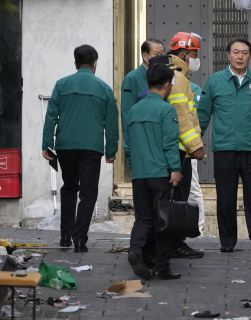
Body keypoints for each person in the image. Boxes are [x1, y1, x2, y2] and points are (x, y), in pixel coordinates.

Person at [198, 38, 251, 253]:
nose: (240, 56)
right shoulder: (215, 81)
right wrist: (195, 142)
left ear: (249, 56)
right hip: (224, 148)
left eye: (244, 53)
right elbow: (203, 113)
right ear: (228, 55)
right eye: (236, 52)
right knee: (225, 196)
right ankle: (227, 241)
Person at [42, 44, 118, 252]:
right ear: (95, 64)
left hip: (65, 146)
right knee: (88, 192)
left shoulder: (61, 85)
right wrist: (111, 150)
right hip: (91, 148)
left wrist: (46, 144)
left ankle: (65, 236)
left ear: (76, 63)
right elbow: (111, 122)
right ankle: (80, 238)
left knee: (69, 187)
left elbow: (51, 117)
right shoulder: (104, 89)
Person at [124, 63, 182, 280]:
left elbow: (128, 146)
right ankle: (162, 267)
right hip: (160, 173)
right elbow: (170, 143)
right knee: (164, 221)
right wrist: (175, 168)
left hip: (139, 174)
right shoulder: (166, 110)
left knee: (143, 218)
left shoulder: (133, 111)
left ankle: (136, 251)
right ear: (166, 85)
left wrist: (134, 166)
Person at [166, 32, 206, 258]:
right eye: (194, 53)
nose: (196, 58)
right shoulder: (179, 79)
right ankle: (175, 244)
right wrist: (195, 146)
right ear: (183, 53)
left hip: (174, 148)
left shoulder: (174, 75)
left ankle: (171, 243)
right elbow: (183, 118)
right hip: (180, 150)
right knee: (178, 200)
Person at [121, 39, 165, 137]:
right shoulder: (132, 78)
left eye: (162, 55)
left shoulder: (166, 76)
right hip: (141, 135)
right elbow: (127, 112)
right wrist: (129, 142)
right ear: (145, 56)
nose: (161, 59)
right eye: (157, 55)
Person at [189, 81, 206, 232]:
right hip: (170, 145)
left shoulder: (195, 89)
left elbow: (197, 118)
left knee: (192, 186)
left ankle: (199, 227)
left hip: (188, 145)